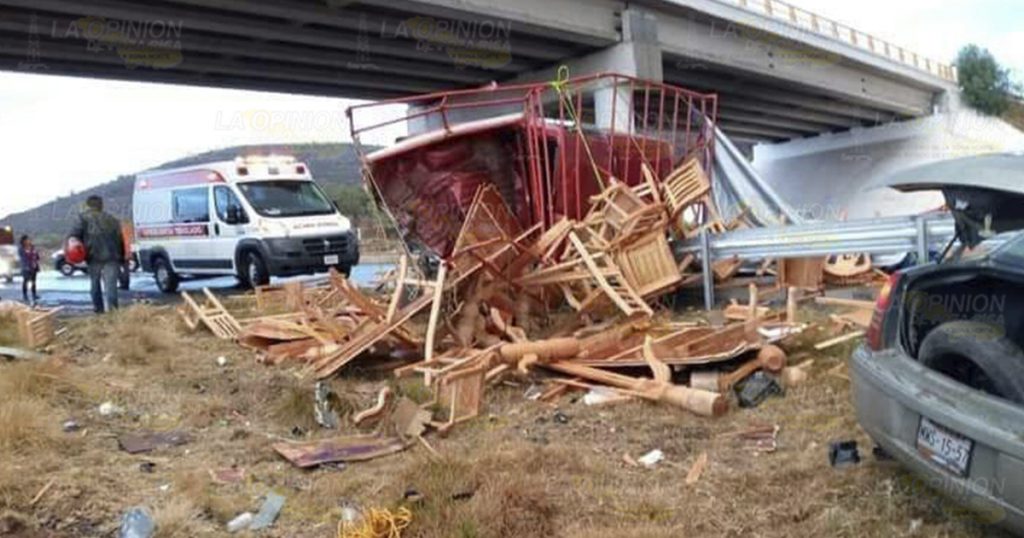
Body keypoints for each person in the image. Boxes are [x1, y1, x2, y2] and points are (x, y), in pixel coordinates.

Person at [69, 195, 126, 313]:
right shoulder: (113, 219)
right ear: (101, 205)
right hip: (112, 256)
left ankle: (99, 311)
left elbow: (74, 236)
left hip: (93, 256)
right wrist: (121, 257)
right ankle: (113, 313)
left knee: (95, 284)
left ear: (88, 205)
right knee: (111, 286)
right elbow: (120, 240)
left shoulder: (82, 218)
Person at [17, 235, 40, 306]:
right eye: (27, 240)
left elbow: (36, 255)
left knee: (33, 281)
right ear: (23, 241)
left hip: (34, 266)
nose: (28, 241)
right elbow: (23, 258)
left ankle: (34, 294)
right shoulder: (21, 249)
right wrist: (26, 265)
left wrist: (36, 258)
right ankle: (25, 295)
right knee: (26, 281)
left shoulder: (32, 247)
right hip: (26, 267)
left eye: (29, 240)